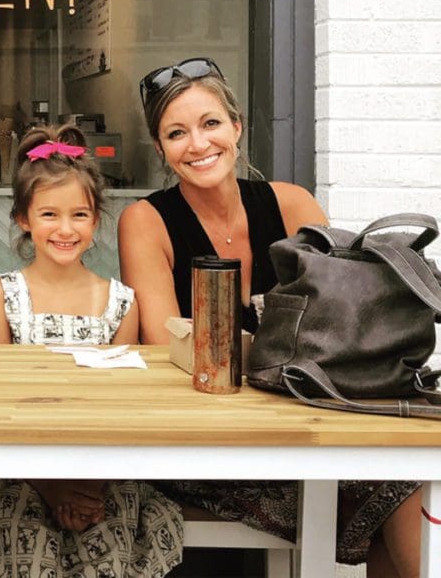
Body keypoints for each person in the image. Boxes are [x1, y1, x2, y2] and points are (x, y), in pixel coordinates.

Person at [117, 57, 421, 577]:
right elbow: (166, 343)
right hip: (211, 444)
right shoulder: (145, 221)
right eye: (176, 133)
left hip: (304, 426)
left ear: (236, 127)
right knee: (387, 492)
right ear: (161, 148)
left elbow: (346, 325)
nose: (197, 144)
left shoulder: (292, 203)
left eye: (210, 123)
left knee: (402, 480)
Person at [0, 124, 184, 578]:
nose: (65, 228)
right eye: (49, 214)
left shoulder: (121, 302)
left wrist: (85, 485)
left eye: (79, 215)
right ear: (23, 218)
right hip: (17, 473)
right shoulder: (2, 296)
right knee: (29, 552)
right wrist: (54, 488)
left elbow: (121, 410)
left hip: (101, 472)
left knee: (108, 554)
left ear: (96, 221)